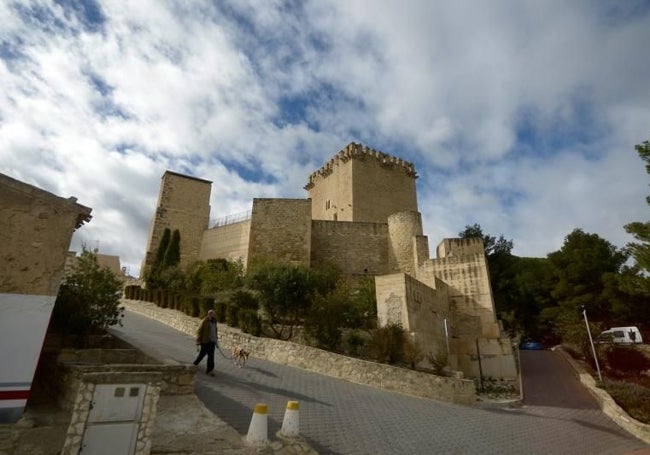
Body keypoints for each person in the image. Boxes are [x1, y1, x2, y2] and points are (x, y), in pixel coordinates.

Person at [193, 309, 218, 376]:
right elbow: (199, 331)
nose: (214, 315)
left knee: (211, 357)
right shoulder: (205, 321)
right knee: (202, 355)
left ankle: (210, 371)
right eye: (213, 314)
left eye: (214, 314)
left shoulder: (214, 321)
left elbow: (215, 331)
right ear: (209, 314)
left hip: (212, 342)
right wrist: (198, 341)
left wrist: (216, 341)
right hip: (205, 342)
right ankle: (195, 364)